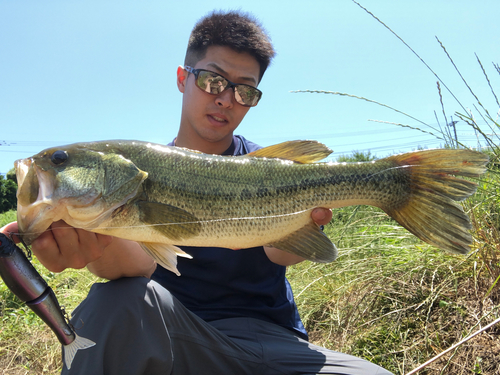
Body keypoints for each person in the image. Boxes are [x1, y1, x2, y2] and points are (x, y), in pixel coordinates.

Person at [1, 10, 392, 375]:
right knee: (110, 304)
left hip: (274, 341)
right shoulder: (141, 175)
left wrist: (306, 222)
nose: (225, 98)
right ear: (182, 78)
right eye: (213, 80)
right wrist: (92, 242)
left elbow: (279, 252)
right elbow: (136, 268)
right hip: (176, 336)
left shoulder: (267, 165)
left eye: (246, 92)